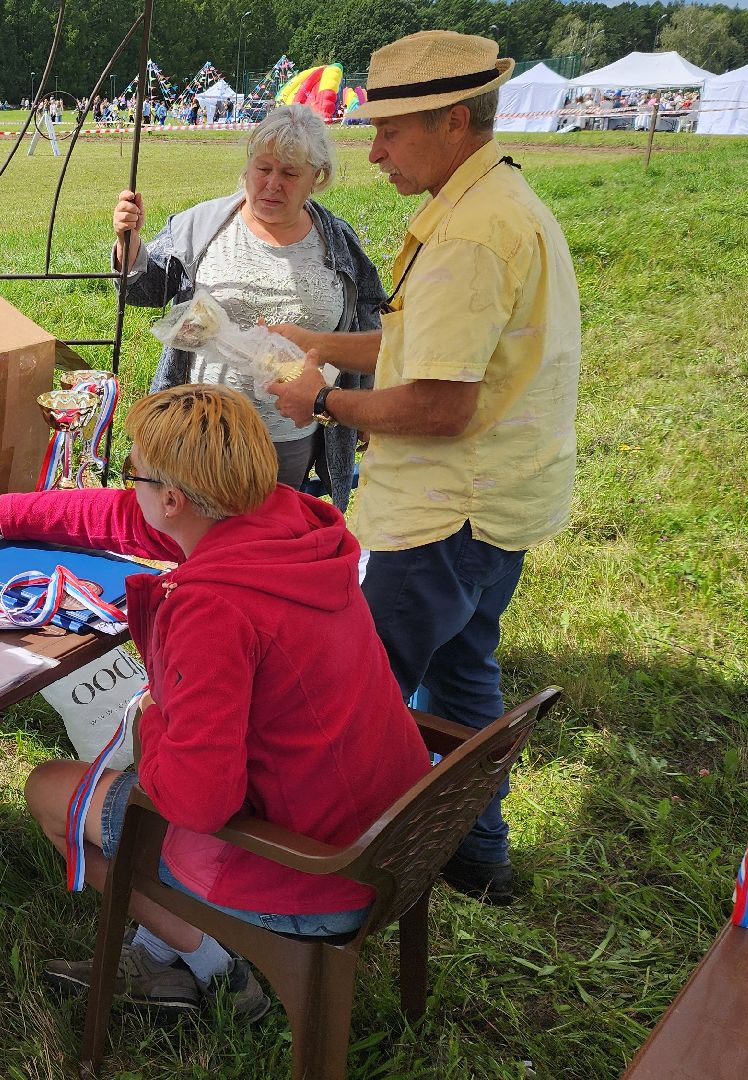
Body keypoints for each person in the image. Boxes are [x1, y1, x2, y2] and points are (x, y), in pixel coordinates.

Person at [0, 385, 429, 1014]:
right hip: (392, 832)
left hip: (313, 869)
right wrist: (1, 510)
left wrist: (151, 719)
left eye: (132, 472)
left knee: (50, 791)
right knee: (141, 771)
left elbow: (199, 800)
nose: (129, 489)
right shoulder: (285, 522)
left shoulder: (212, 610)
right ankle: (169, 949)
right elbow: (119, 515)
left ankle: (212, 966)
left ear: (173, 499)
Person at [267, 31, 580, 905]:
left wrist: (320, 400)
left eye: (391, 132)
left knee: (358, 692)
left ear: (451, 122)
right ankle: (478, 852)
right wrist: (323, 344)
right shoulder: (492, 202)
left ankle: (326, 869)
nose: (371, 152)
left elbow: (440, 406)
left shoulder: (471, 237)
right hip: (496, 506)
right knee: (465, 669)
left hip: (446, 513)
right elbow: (421, 346)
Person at [110, 104, 385, 509]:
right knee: (200, 544)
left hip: (289, 436)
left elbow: (366, 318)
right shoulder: (202, 225)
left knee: (269, 543)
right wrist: (128, 243)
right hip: (202, 430)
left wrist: (365, 401)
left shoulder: (339, 241)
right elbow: (145, 291)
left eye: (290, 174)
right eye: (263, 168)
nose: (273, 184)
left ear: (317, 178)